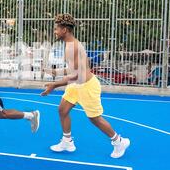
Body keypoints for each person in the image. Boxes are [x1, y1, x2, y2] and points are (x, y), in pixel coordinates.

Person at [41, 14, 130, 158]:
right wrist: (54, 72)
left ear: (65, 30)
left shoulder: (73, 47)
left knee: (95, 118)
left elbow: (77, 75)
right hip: (76, 85)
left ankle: (119, 142)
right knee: (63, 110)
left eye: (56, 28)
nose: (55, 31)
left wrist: (54, 85)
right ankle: (67, 141)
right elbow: (73, 69)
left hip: (87, 86)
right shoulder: (70, 45)